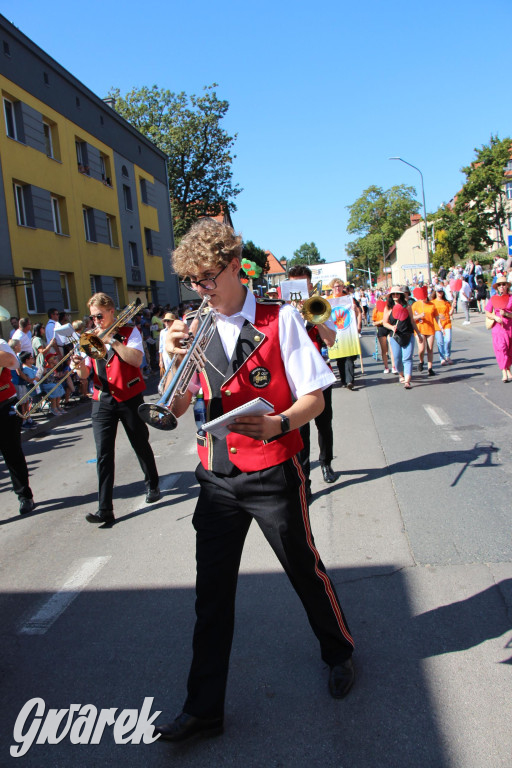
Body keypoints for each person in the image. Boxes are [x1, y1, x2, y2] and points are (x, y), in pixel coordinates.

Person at [154, 219, 355, 743]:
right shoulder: (193, 329)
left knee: (302, 570)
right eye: (192, 282)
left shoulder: (280, 319)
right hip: (216, 475)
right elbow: (175, 408)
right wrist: (172, 359)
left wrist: (279, 423)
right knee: (211, 595)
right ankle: (203, 709)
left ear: (233, 267)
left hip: (272, 470)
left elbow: (316, 396)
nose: (201, 290)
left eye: (207, 278)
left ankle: (339, 651)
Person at [74, 293, 160, 524]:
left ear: (111, 312)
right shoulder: (88, 337)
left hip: (129, 396)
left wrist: (112, 340)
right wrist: (79, 365)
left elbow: (135, 360)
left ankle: (152, 483)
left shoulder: (130, 332)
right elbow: (84, 375)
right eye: (92, 317)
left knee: (139, 442)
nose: (95, 321)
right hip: (102, 400)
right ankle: (105, 509)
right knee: (103, 453)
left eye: (99, 316)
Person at [288, 265, 337, 486]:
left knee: (324, 425)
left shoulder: (318, 306)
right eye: (292, 284)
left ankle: (326, 463)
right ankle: (304, 477)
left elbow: (330, 341)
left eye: (301, 283)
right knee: (301, 431)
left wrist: (316, 320)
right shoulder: (283, 311)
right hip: (296, 381)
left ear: (309, 285)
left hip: (320, 377)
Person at [0, 338, 35, 514]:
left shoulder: (0, 344)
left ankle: (24, 496)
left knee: (12, 453)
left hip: (4, 404)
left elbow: (13, 362)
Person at [383, 287, 423, 390]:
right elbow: (384, 322)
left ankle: (407, 381)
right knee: (397, 358)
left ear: (400, 295)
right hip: (395, 336)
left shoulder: (407, 306)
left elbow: (412, 321)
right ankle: (401, 374)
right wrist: (392, 327)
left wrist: (418, 334)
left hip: (408, 334)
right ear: (391, 296)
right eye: (393, 294)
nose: (395, 296)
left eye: (397, 294)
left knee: (407, 358)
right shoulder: (388, 307)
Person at [485, 275, 512, 382]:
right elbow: (487, 312)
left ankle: (508, 369)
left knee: (509, 349)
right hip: (498, 328)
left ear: (507, 286)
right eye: (499, 285)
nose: (501, 286)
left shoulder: (511, 298)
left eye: (503, 284)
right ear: (497, 287)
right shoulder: (493, 298)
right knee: (501, 348)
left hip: (509, 326)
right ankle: (503, 372)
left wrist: (506, 314)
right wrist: (495, 317)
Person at [412, 290, 438, 375]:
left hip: (430, 329)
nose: (424, 298)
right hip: (420, 329)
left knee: (430, 348)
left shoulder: (432, 305)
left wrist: (441, 327)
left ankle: (430, 368)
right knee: (421, 348)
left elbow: (436, 317)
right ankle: (421, 361)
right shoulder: (416, 304)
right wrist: (419, 316)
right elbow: (411, 318)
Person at [432, 286, 454, 365]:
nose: (440, 293)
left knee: (448, 340)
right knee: (440, 342)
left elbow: (450, 313)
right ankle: (442, 358)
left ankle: (447, 355)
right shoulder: (433, 302)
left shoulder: (446, 302)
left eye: (441, 291)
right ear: (436, 292)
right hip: (437, 324)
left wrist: (453, 307)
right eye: (438, 291)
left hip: (447, 323)